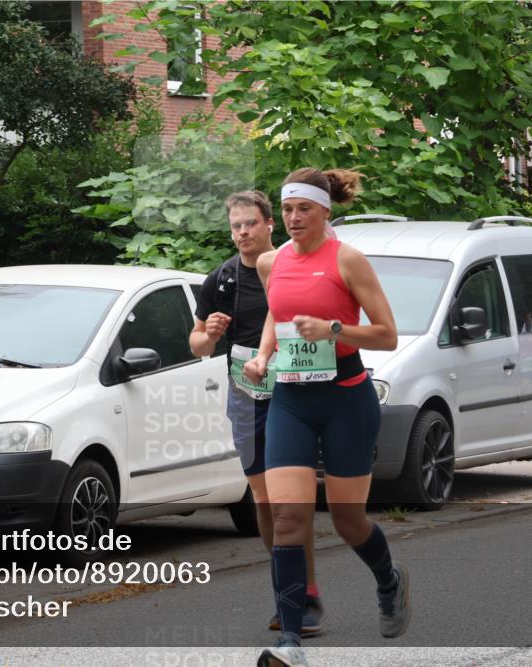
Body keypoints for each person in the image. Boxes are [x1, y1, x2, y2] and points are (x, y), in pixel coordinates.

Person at [244, 168, 409, 667]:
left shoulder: (348, 261)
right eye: (288, 209)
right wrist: (263, 355)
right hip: (290, 401)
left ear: (325, 212)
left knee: (347, 519)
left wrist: (335, 328)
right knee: (288, 515)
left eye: (304, 209)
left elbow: (387, 334)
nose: (293, 218)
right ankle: (290, 641)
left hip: (345, 398)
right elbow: (278, 312)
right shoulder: (271, 263)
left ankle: (389, 578)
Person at [189, 191, 324, 636]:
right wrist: (208, 334)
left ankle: (303, 595)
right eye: (235, 226)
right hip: (246, 394)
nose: (242, 232)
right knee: (265, 500)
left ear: (269, 224)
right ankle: (288, 588)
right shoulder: (222, 279)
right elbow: (197, 345)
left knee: (290, 499)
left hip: (293, 390)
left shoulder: (295, 267)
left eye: (249, 223)